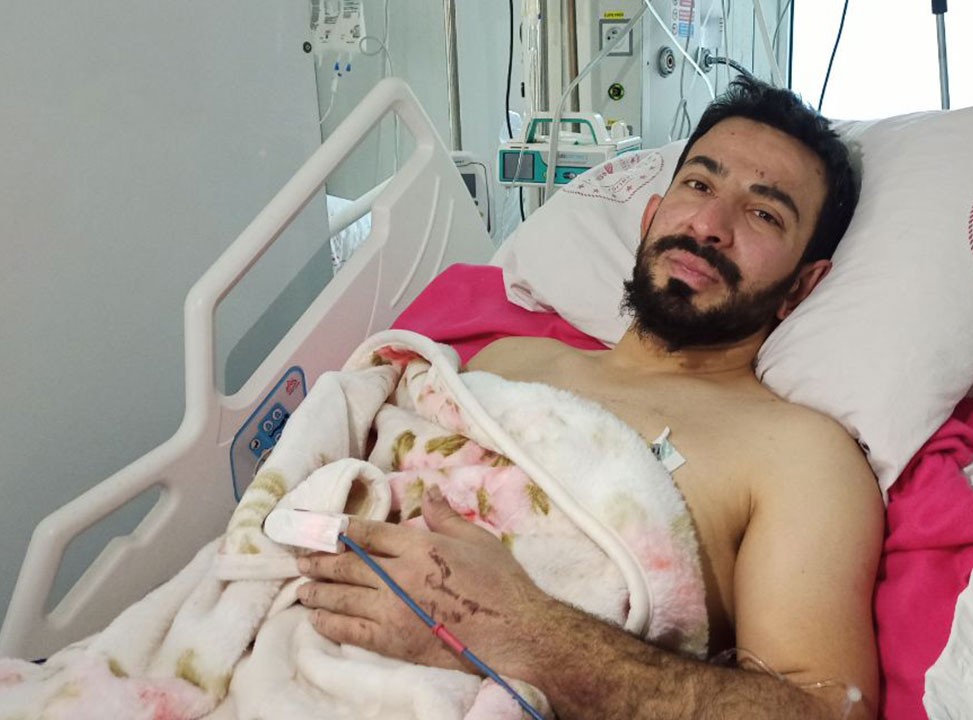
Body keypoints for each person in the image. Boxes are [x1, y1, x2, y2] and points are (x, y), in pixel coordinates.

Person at [296, 76, 882, 719]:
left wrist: (522, 631)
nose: (710, 225)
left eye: (764, 214)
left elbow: (827, 710)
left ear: (802, 285)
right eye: (699, 185)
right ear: (650, 216)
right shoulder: (506, 361)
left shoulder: (797, 456)